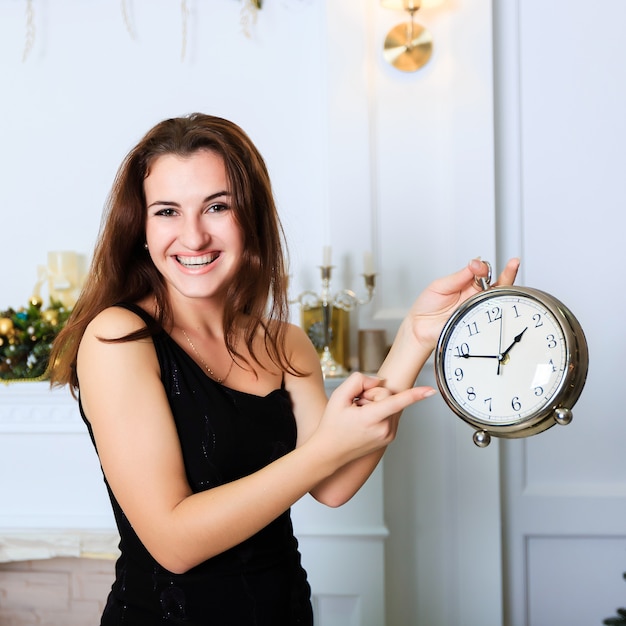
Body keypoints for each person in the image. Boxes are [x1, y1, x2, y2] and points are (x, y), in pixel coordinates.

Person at [49, 112, 519, 625]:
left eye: (217, 207)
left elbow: (334, 483)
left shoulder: (285, 344)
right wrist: (322, 451)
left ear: (249, 219)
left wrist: (415, 338)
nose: (193, 236)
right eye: (166, 211)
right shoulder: (117, 336)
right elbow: (173, 542)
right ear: (139, 226)